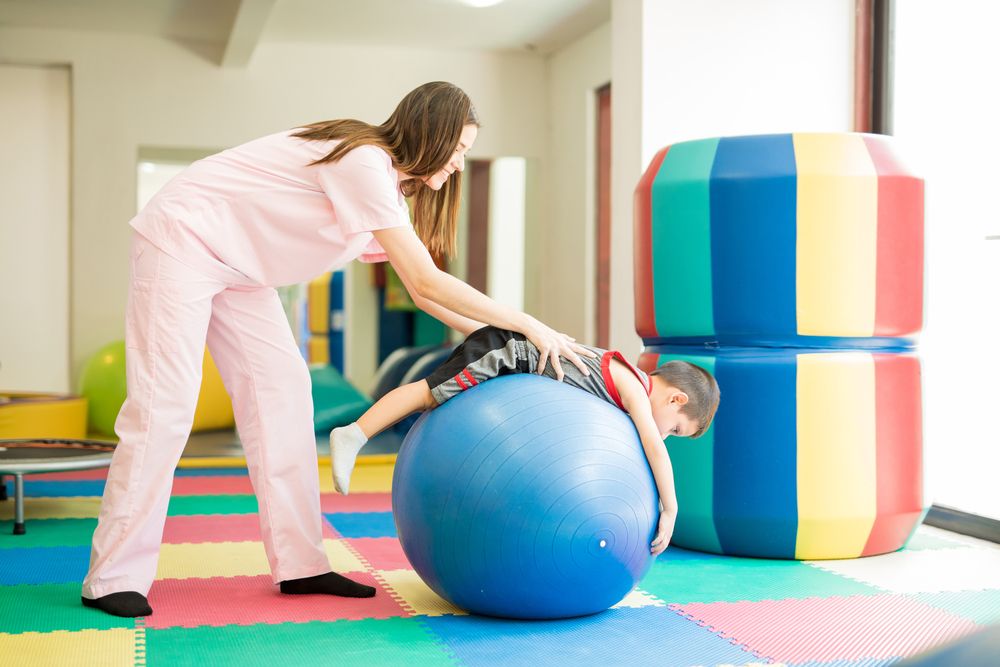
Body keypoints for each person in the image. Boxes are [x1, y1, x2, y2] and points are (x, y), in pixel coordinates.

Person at [81, 81, 596, 618]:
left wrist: (508, 345)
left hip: (243, 271)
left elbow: (426, 297)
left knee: (284, 394)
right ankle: (111, 576)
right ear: (433, 134)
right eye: (460, 150)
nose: (461, 165)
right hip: (183, 239)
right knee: (164, 407)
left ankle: (300, 564)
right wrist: (530, 323)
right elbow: (426, 282)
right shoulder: (365, 163)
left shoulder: (388, 190)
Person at [331, 326, 721, 555]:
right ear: (676, 399)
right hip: (504, 352)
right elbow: (653, 447)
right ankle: (354, 434)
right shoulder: (634, 386)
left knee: (432, 399)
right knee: (426, 394)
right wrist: (670, 508)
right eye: (675, 428)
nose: (665, 436)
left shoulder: (630, 388)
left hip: (511, 360)